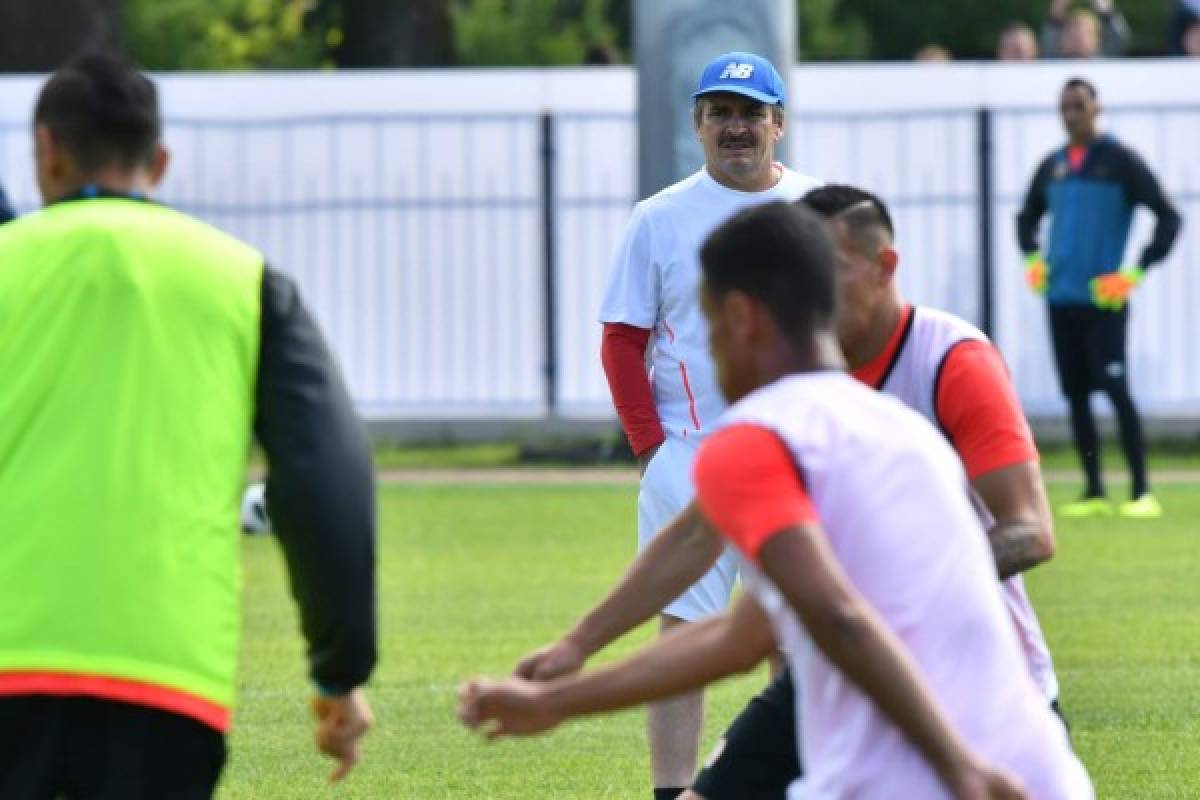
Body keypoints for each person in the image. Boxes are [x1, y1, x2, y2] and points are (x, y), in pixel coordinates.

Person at [461, 201, 1094, 800]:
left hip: (926, 773)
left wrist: (959, 767)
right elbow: (749, 630)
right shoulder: (902, 429)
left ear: (742, 318)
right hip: (1035, 766)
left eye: (709, 327)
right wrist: (571, 664)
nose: (711, 349)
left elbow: (834, 618)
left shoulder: (759, 439)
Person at [0, 51, 377, 798]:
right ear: (160, 159)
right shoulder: (243, 282)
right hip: (166, 683)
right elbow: (328, 482)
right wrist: (339, 672)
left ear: (45, 149)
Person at [597, 49, 819, 799]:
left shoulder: (820, 211)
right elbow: (623, 338)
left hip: (795, 461)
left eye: (752, 113)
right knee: (685, 636)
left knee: (794, 634)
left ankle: (795, 782)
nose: (736, 127)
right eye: (720, 112)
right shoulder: (659, 217)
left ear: (779, 125)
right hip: (690, 461)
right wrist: (651, 449)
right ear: (696, 123)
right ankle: (671, 791)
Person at [1017, 77, 1182, 518]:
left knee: (1115, 388)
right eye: (1065, 108)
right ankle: (1093, 490)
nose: (1071, 115)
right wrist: (1033, 259)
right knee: (1075, 394)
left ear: (1096, 108)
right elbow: (1027, 217)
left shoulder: (1120, 161)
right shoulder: (1053, 166)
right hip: (1060, 299)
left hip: (1104, 302)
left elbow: (1169, 217)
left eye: (1079, 106)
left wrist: (1134, 272)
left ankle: (1140, 490)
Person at [1042, 0, 1130, 58]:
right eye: (1071, 31)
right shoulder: (1052, 62)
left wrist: (1107, 12)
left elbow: (1118, 38)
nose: (1077, 36)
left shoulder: (1110, 60)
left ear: (1098, 38)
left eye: (1084, 32)